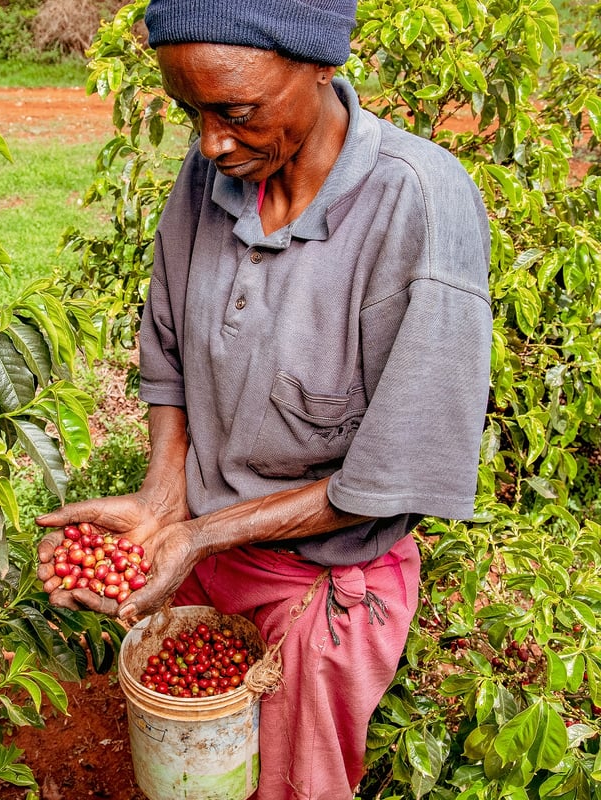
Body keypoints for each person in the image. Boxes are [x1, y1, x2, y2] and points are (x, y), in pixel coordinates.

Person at [37, 0, 492, 796]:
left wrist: (196, 534)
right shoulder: (215, 171)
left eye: (237, 111)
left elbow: (386, 478)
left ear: (322, 65)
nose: (211, 141)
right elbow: (171, 356)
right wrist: (159, 503)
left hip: (317, 585)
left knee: (290, 784)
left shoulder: (416, 203)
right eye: (191, 112)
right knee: (204, 773)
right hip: (214, 555)